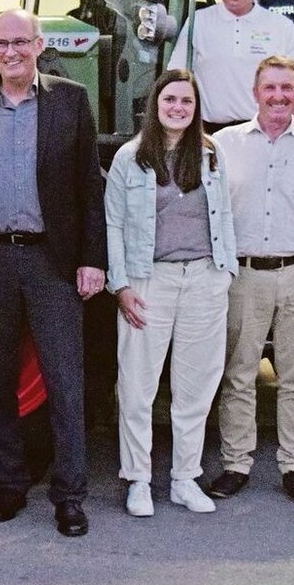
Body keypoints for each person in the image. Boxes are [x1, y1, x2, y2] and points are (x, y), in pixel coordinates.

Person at [0, 8, 106, 537]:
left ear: (39, 45)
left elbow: (89, 186)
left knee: (65, 381)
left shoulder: (70, 100)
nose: (10, 52)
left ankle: (70, 494)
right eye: (0, 44)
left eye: (20, 42)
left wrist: (92, 259)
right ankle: (10, 484)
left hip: (51, 259)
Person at [208, 56, 294, 504]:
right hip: (243, 274)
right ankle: (236, 463)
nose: (279, 96)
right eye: (270, 88)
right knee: (238, 374)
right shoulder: (224, 145)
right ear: (256, 93)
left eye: (288, 88)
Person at [106, 69, 237, 518]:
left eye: (186, 101)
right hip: (149, 280)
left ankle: (185, 478)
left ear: (196, 107)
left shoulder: (211, 155)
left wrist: (226, 275)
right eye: (170, 100)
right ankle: (138, 479)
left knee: (196, 387)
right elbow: (114, 224)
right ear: (155, 105)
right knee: (138, 386)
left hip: (204, 278)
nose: (178, 108)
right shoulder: (131, 158)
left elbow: (226, 218)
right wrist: (120, 285)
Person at [167, 0, 294, 130]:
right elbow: (175, 80)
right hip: (209, 134)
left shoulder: (281, 27)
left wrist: (293, 140)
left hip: (264, 134)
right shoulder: (198, 22)